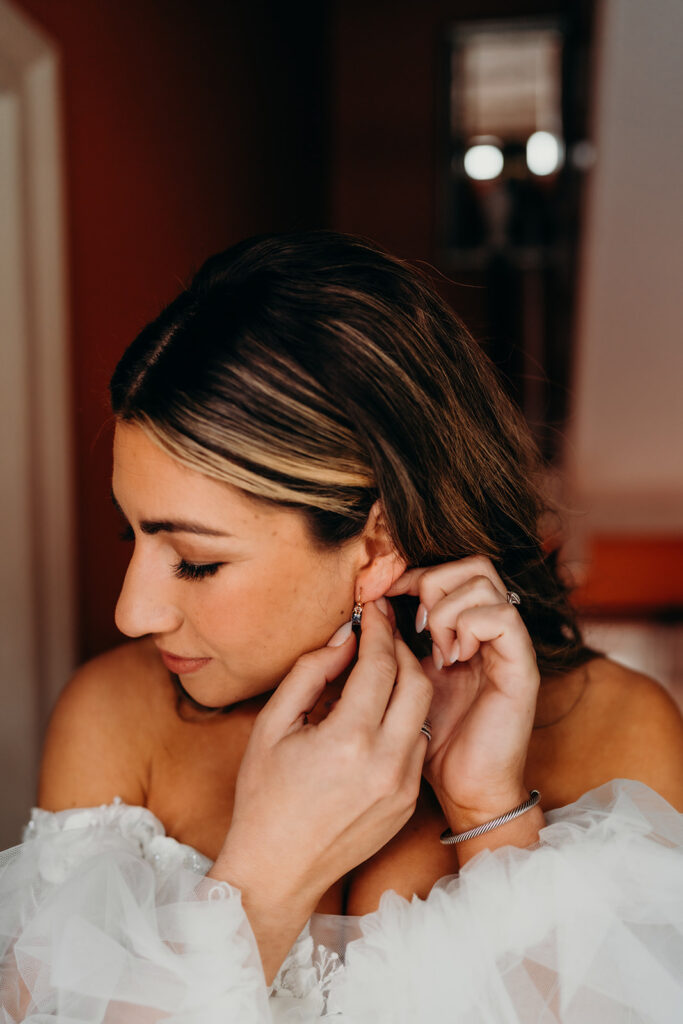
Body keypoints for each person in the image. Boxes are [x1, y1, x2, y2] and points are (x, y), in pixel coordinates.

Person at [1, 231, 682, 1022]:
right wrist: (266, 877)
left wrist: (489, 815)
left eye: (193, 559)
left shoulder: (621, 732)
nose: (132, 611)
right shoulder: (117, 720)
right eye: (135, 536)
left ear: (378, 542)